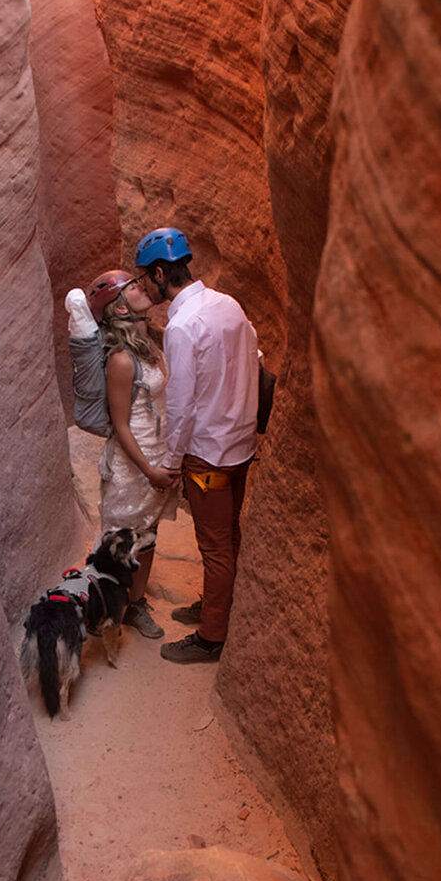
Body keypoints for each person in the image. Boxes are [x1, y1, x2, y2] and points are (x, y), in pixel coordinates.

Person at [129, 227, 259, 663]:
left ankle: (212, 637)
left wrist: (170, 462)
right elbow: (254, 359)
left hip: (208, 456)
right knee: (229, 538)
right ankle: (220, 609)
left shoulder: (182, 326)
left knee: (215, 546)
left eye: (145, 278)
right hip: (241, 444)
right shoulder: (228, 305)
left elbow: (181, 406)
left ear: (162, 272)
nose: (144, 286)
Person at [82, 268, 176, 638]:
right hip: (131, 466)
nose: (142, 288)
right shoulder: (122, 360)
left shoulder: (152, 341)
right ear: (119, 310)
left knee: (148, 534)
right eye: (133, 287)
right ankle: (99, 610)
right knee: (117, 539)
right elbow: (120, 425)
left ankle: (135, 605)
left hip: (157, 454)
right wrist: (148, 471)